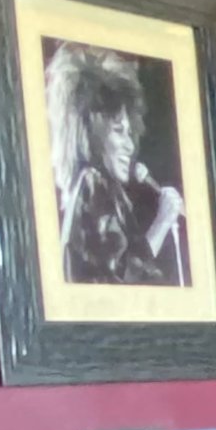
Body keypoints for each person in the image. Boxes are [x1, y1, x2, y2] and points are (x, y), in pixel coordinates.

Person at [48, 44, 184, 286]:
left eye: (130, 133)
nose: (130, 146)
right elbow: (125, 280)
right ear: (92, 132)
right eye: (119, 131)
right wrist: (162, 221)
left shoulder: (108, 192)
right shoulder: (92, 183)